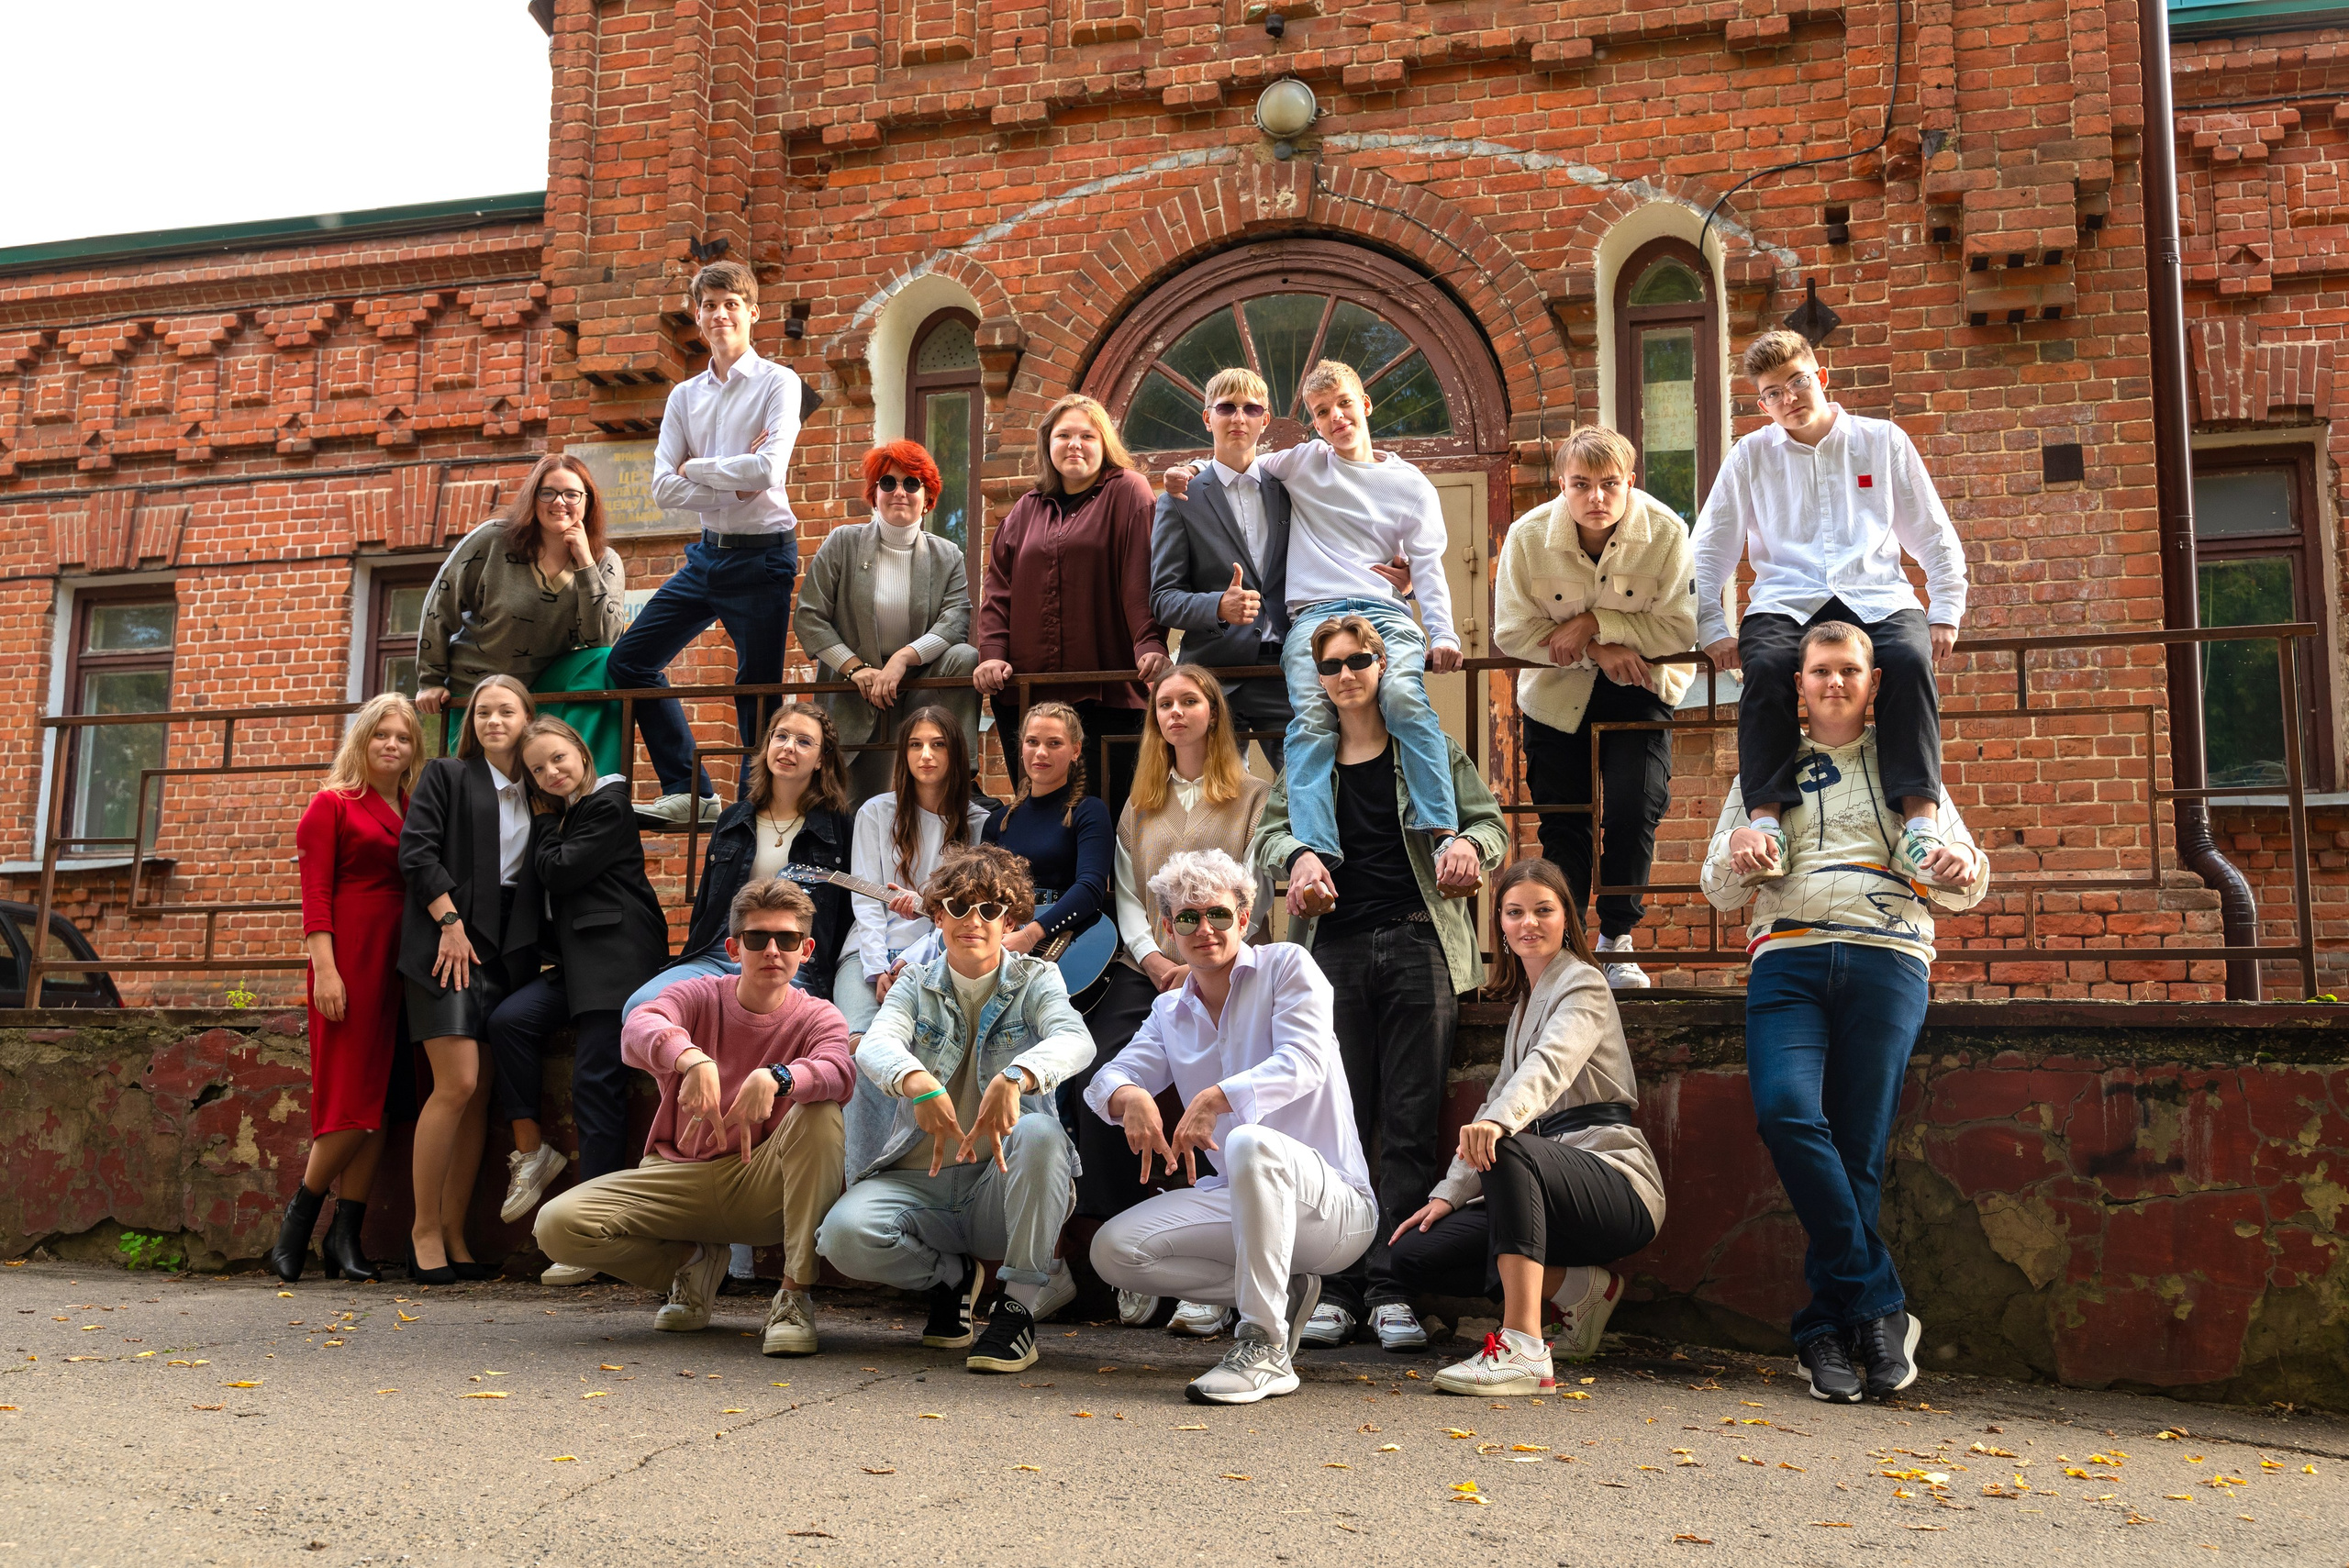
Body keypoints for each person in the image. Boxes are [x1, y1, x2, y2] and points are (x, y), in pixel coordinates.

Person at [1699, 622, 1988, 1404]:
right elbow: (1717, 887)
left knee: (1857, 1151)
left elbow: (1967, 882)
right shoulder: (1767, 769)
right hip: (1788, 957)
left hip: (1888, 956)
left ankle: (1824, 1332)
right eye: (1820, 670)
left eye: (1849, 670)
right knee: (1789, 1112)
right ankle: (1881, 1306)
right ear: (1798, 683)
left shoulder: (1908, 766)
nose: (1834, 682)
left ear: (1873, 683)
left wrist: (1963, 864)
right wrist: (1735, 857)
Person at [1252, 614, 1508, 1351]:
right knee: (1336, 1122)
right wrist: (1297, 857)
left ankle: (1391, 1284)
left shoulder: (1426, 750)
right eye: (1331, 665)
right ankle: (1336, 1285)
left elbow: (1489, 825)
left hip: (1417, 942)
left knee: (1406, 1118)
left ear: (1382, 664)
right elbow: (1270, 837)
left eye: (1360, 660)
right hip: (1329, 950)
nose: (1346, 674)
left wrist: (1464, 842)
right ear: (1319, 678)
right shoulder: (1305, 760)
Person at [1086, 850, 1376, 1405]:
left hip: (1334, 1207)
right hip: (1242, 1205)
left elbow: (1305, 1061)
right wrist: (1132, 1095)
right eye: (1188, 918)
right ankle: (1281, 1294)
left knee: (1249, 1140)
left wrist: (1218, 1097)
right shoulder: (1170, 1010)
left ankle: (1264, 1348)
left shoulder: (1288, 966)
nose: (1204, 930)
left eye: (1218, 914)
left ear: (1244, 919)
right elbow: (1111, 1075)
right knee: (1115, 1251)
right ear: (1167, 930)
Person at [1694, 328, 1970, 883]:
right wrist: (1711, 625)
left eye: (1796, 382)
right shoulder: (1750, 456)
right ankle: (1767, 822)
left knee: (1911, 664)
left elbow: (1932, 532)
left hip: (1877, 594)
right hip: (1785, 599)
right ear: (1763, 402)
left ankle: (1919, 827)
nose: (1788, 399)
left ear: (1820, 377)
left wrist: (1944, 609)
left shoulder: (1881, 441)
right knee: (1767, 669)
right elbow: (1710, 546)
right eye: (1772, 393)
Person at [1165, 358, 1463, 871]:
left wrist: (1443, 633)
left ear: (1365, 405)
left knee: (1402, 699)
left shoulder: (1411, 485)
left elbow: (1430, 566)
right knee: (1310, 719)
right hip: (1309, 621)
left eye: (1345, 404)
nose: (1337, 418)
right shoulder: (1300, 463)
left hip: (1380, 615)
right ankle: (1317, 849)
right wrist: (1190, 468)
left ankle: (1440, 829)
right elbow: (1232, 465)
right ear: (1314, 424)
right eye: (1323, 412)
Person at [537, 880, 853, 1356]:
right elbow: (641, 1023)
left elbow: (839, 1070)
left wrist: (779, 1077)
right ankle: (694, 1263)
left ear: (806, 950)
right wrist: (692, 1059)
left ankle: (793, 1294)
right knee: (557, 1226)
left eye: (786, 939)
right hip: (678, 1178)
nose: (772, 950)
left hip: (761, 1184)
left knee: (821, 1112)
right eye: (756, 938)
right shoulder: (700, 994)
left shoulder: (819, 1016)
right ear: (733, 947)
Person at [1386, 859, 1666, 1394]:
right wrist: (1449, 1194)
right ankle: (1581, 1291)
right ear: (1501, 923)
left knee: (1507, 1147)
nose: (1528, 923)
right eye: (1514, 913)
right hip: (1542, 1185)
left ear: (1567, 918)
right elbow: (1497, 1098)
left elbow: (1551, 1066)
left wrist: (1497, 1124)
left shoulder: (1585, 983)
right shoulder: (1522, 1007)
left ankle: (1523, 1348)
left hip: (1615, 1179)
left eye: (1544, 910)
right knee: (1413, 1254)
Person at [818, 843, 1096, 1375]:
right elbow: (876, 1045)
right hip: (920, 1180)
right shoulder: (915, 984)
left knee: (1039, 1133)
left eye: (989, 909)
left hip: (1000, 1186)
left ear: (1010, 918)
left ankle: (1016, 1310)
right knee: (843, 1238)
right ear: (937, 914)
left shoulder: (1037, 979)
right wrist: (917, 1081)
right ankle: (950, 1276)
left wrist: (1017, 1076)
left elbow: (1075, 1040)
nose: (975, 921)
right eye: (960, 907)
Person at [1096, 667, 1273, 1337]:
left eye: (1188, 701)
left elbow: (1254, 891)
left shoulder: (1253, 795)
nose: (1175, 711)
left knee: (1227, 1081)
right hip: (1152, 964)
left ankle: (1217, 1267)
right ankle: (1141, 1252)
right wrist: (1156, 959)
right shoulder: (1141, 802)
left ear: (1212, 713)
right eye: (1164, 703)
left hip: (1227, 963)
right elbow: (1125, 891)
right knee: (1106, 1070)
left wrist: (1204, 953)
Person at [1493, 425, 1698, 989]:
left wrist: (1594, 621)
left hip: (1642, 683)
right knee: (1565, 820)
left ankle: (1617, 939)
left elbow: (1679, 628)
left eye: (1610, 484)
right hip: (1557, 693)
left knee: (1636, 805)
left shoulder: (1665, 531)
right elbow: (1512, 632)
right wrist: (1597, 645)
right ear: (1562, 484)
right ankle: (1568, 950)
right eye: (1581, 484)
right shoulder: (1528, 536)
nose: (1596, 498)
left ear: (1630, 482)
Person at [610, 260, 807, 825]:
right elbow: (662, 489)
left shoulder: (778, 382)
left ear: (752, 314)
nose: (720, 313)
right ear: (698, 319)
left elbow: (769, 473)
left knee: (757, 690)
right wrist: (730, 478)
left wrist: (699, 469)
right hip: (706, 555)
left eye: (731, 304)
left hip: (765, 554)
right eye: (710, 305)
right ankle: (690, 790)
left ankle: (766, 808)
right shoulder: (684, 397)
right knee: (631, 661)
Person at [485, 717, 671, 1273]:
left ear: (580, 752)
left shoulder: (607, 802)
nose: (551, 773)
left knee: (595, 1084)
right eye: (538, 770)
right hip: (574, 967)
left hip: (616, 961)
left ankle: (593, 1235)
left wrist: (543, 829)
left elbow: (561, 873)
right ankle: (533, 1149)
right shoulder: (569, 813)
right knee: (508, 1023)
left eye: (558, 759)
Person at [270, 693, 427, 1284]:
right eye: (382, 734)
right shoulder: (331, 804)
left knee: (383, 1104)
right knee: (351, 1108)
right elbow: (315, 896)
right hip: (350, 958)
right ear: (361, 740)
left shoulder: (415, 807)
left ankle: (346, 1238)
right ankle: (298, 1221)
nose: (392, 745)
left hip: (401, 961)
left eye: (404, 737)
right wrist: (326, 971)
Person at [396, 673, 546, 1283]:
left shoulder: (540, 787)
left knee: (479, 1094)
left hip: (507, 950)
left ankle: (456, 1232)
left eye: (504, 710)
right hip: (446, 945)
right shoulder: (447, 775)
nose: (492, 720)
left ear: (525, 717)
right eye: (482, 712)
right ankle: (422, 1229)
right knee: (454, 1083)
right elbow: (416, 852)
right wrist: (450, 922)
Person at [973, 394, 1169, 823]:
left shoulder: (1129, 492)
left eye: (1087, 435)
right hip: (1027, 692)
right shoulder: (1025, 509)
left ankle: (1100, 894)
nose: (1074, 444)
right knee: (1039, 817)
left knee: (1106, 817)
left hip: (1107, 691)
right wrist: (991, 655)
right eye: (1064, 435)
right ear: (1048, 445)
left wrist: (1149, 642)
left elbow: (1139, 577)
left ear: (1105, 443)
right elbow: (998, 590)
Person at [837, 708, 996, 1175]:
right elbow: (866, 901)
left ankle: (912, 1175)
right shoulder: (875, 812)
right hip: (868, 953)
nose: (925, 755)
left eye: (938, 744)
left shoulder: (978, 821)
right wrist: (875, 968)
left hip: (936, 958)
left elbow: (960, 914)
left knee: (915, 1055)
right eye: (915, 745)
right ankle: (861, 1180)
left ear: (956, 752)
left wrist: (908, 962)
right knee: (861, 1049)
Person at [412, 453, 629, 770]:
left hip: (542, 684)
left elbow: (603, 639)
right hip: (478, 690)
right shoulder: (493, 540)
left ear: (587, 502)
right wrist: (429, 680)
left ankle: (593, 781)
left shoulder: (605, 561)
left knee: (604, 662)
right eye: (548, 492)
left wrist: (585, 562)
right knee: (484, 788)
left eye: (572, 494)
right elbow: (440, 605)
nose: (560, 502)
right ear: (533, 497)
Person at [794, 440, 983, 803]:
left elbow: (955, 619)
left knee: (964, 656)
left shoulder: (947, 554)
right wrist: (855, 669)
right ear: (874, 493)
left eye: (912, 483)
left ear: (926, 496)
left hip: (918, 687)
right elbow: (809, 616)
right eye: (888, 483)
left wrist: (902, 659)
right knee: (854, 808)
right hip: (855, 691)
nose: (900, 492)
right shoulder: (843, 543)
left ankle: (960, 776)